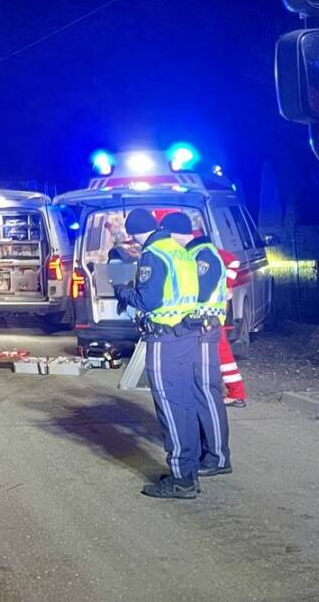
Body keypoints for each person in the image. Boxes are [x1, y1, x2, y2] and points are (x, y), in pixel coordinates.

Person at [113, 207, 202, 499]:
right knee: (185, 404)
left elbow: (148, 300)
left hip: (165, 338)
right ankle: (188, 470)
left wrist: (123, 291)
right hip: (187, 334)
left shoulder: (153, 255)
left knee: (170, 407)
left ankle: (182, 479)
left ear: (134, 232)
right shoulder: (178, 251)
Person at [170, 212, 231, 477]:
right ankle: (208, 452)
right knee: (198, 392)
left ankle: (218, 457)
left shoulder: (203, 256)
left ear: (176, 234)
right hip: (196, 332)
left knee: (207, 392)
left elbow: (199, 293)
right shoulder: (195, 255)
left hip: (205, 330)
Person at [217, 246, 248, 406]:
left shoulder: (202, 249)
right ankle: (236, 392)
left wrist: (226, 283)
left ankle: (236, 393)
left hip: (211, 313)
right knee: (221, 352)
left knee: (222, 352)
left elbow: (233, 261)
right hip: (210, 312)